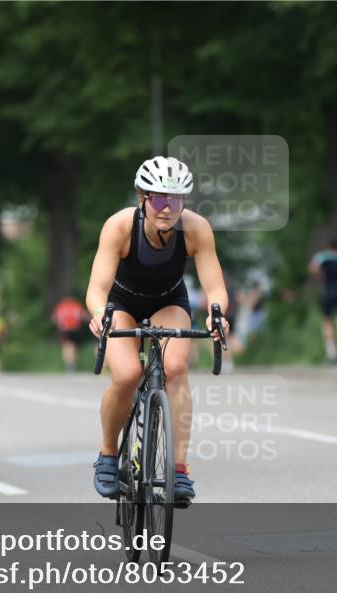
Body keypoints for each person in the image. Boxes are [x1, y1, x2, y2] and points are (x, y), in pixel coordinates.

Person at [85, 156, 230, 506]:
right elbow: (97, 288)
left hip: (168, 301)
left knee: (176, 368)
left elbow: (215, 289)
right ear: (142, 198)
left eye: (175, 200)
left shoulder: (196, 229)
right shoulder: (120, 227)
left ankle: (178, 470)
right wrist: (99, 314)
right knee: (127, 374)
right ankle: (107, 455)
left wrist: (216, 316)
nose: (167, 208)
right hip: (122, 304)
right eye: (159, 199)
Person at [308, 240, 337, 362]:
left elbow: (312, 268)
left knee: (327, 320)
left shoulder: (322, 256)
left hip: (328, 292)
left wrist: (319, 276)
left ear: (329, 247)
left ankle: (330, 351)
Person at [51, 295, 89, 372]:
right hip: (76, 329)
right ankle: (72, 363)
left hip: (64, 329)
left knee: (66, 346)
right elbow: (85, 316)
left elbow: (54, 318)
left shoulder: (61, 307)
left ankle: (69, 363)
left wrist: (59, 323)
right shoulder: (76, 305)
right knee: (73, 346)